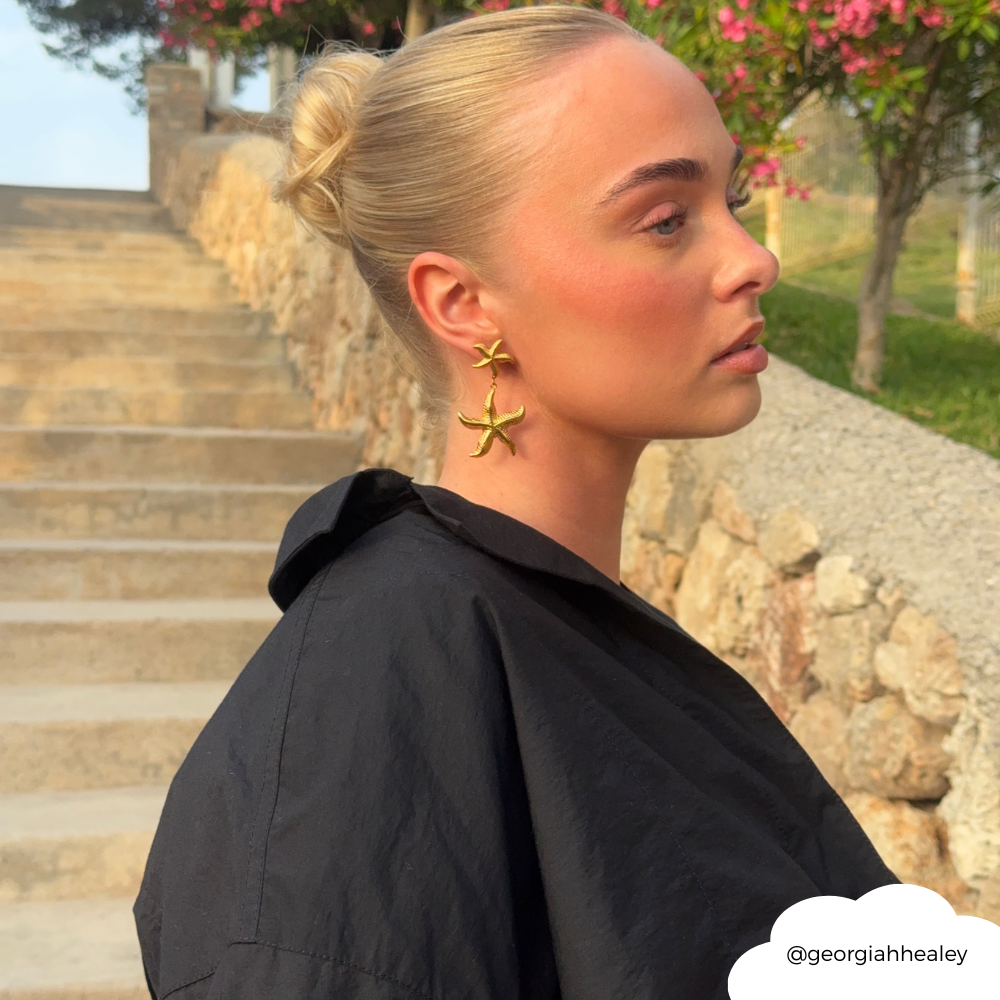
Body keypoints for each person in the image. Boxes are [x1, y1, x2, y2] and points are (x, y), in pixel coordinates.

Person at [133, 6, 898, 998]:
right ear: (462, 303)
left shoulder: (568, 630)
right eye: (666, 219)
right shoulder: (369, 694)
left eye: (732, 198)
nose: (755, 258)